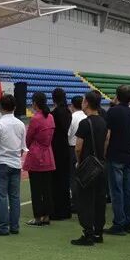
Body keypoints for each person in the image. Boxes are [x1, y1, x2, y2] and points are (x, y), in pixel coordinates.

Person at [71, 91, 109, 246]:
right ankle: (98, 232)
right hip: (101, 165)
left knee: (85, 200)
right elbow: (106, 141)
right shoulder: (103, 121)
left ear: (86, 103)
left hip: (88, 166)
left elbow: (78, 147)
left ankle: (88, 233)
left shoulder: (85, 123)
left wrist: (79, 162)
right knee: (100, 200)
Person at [0, 94, 27, 236]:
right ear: (15, 107)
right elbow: (23, 147)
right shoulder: (21, 124)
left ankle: (3, 226)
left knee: (1, 196)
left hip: (1, 163)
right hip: (16, 163)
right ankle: (14, 226)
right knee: (15, 196)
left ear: (0, 107)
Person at [104, 85, 130, 236]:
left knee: (116, 190)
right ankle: (129, 222)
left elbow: (108, 135)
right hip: (129, 155)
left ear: (117, 96)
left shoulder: (112, 112)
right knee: (128, 190)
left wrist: (104, 153)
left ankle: (119, 222)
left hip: (115, 154)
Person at [24, 92, 55, 225]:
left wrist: (31, 146)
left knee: (36, 189)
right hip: (48, 154)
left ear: (35, 103)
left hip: (37, 155)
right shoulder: (50, 117)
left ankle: (37, 217)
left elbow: (28, 138)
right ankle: (47, 216)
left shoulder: (35, 118)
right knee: (47, 188)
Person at [49, 88, 73, 220]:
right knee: (64, 181)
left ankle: (57, 211)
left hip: (55, 149)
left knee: (55, 181)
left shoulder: (54, 114)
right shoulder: (68, 112)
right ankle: (66, 210)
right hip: (65, 148)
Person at [67, 95, 87, 210]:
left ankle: (75, 202)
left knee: (73, 176)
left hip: (73, 147)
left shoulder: (72, 117)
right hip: (86, 148)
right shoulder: (86, 116)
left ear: (72, 105)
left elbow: (68, 134)